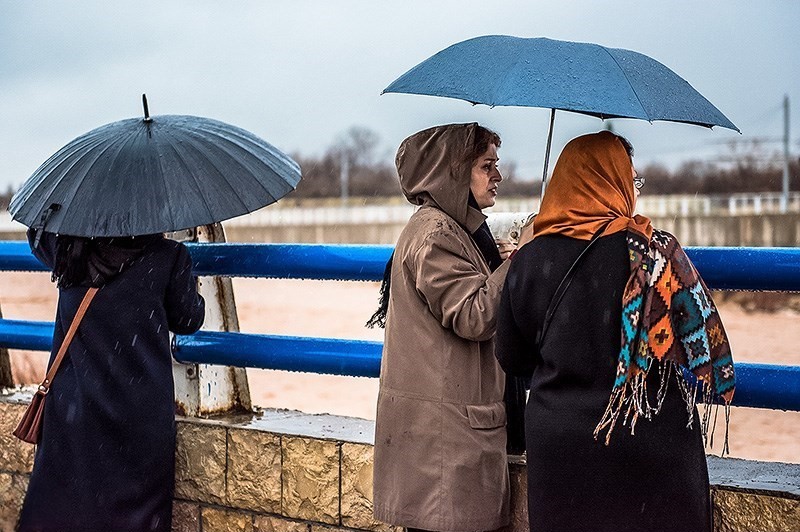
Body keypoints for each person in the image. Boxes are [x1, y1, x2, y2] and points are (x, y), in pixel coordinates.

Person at [496, 131, 735, 532]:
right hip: (649, 441)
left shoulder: (529, 260)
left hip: (564, 454)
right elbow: (697, 345)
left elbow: (512, 357)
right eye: (632, 180)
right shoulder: (656, 253)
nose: (635, 192)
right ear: (613, 184)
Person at [370, 123, 528, 532]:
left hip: (442, 440)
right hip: (445, 448)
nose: (498, 175)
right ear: (454, 172)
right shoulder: (437, 233)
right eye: (486, 165)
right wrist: (519, 261)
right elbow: (475, 315)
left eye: (497, 164)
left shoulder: (453, 228)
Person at [18, 229, 205, 532]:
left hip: (72, 408)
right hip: (139, 412)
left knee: (64, 508)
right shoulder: (168, 257)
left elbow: (36, 233)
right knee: (136, 515)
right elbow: (188, 319)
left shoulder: (67, 250)